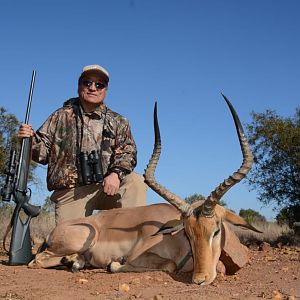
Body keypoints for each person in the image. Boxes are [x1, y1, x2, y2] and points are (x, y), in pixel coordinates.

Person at [18, 64, 147, 224]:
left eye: (99, 84)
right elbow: (42, 153)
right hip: (70, 193)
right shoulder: (59, 116)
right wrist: (29, 139)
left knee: (136, 182)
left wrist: (115, 174)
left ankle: (127, 238)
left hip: (106, 189)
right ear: (79, 86)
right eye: (88, 83)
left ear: (105, 90)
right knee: (68, 245)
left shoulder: (119, 121)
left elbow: (128, 152)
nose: (93, 88)